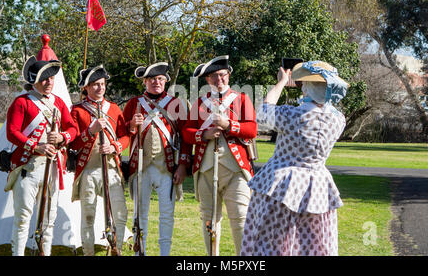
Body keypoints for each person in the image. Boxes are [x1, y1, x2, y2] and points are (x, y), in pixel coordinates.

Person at [240, 60, 349, 256]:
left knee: (270, 244)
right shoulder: (338, 120)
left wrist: (281, 83)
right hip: (317, 188)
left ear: (307, 87)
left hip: (281, 185)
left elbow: (263, 113)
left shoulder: (290, 114)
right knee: (312, 246)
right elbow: (323, 109)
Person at [182, 55, 257, 256]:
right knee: (209, 218)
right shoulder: (199, 103)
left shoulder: (242, 99)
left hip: (235, 169)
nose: (219, 80)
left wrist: (228, 125)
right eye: (214, 76)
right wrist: (203, 134)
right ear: (207, 80)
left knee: (241, 217)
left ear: (228, 75)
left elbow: (251, 129)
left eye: (222, 75)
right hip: (206, 169)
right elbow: (186, 133)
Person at [5, 56, 78, 256]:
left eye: (51, 78)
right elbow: (12, 132)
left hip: (53, 167)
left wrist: (62, 137)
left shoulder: (59, 103)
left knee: (48, 220)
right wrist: (36, 146)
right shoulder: (22, 102)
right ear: (34, 80)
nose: (49, 83)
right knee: (23, 219)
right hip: (28, 167)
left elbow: (73, 128)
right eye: (44, 79)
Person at [123, 62, 191, 256]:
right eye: (152, 79)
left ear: (165, 81)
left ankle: (164, 253)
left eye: (160, 79)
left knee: (167, 215)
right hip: (140, 167)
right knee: (139, 214)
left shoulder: (175, 104)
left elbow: (185, 138)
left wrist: (183, 166)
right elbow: (121, 133)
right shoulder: (134, 103)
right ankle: (139, 252)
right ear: (145, 81)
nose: (156, 82)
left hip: (167, 167)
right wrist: (130, 125)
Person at [69, 65, 130, 256]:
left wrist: (114, 147)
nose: (100, 88)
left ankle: (116, 249)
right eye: (95, 84)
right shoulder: (78, 110)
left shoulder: (113, 108)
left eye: (102, 84)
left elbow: (125, 137)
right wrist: (90, 131)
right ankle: (88, 252)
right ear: (85, 88)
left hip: (111, 168)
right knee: (88, 216)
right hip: (88, 169)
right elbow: (74, 143)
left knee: (120, 213)